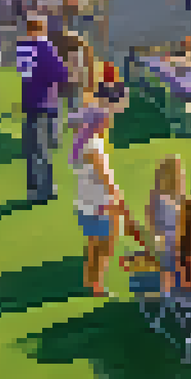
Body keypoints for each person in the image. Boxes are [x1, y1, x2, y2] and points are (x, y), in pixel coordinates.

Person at [70, 66, 129, 297]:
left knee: (93, 243)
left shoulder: (85, 142)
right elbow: (104, 175)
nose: (110, 122)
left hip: (87, 201)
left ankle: (89, 280)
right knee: (104, 245)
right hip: (99, 203)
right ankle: (97, 285)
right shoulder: (93, 145)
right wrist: (117, 195)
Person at [18, 17, 69, 204]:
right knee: (42, 149)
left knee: (32, 149)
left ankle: (34, 188)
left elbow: (25, 73)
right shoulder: (46, 48)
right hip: (45, 103)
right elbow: (61, 74)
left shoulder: (24, 48)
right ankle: (45, 189)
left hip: (30, 102)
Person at [147, 155, 186, 293]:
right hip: (165, 240)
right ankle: (169, 292)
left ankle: (177, 289)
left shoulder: (179, 196)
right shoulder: (159, 196)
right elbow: (152, 224)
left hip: (176, 237)